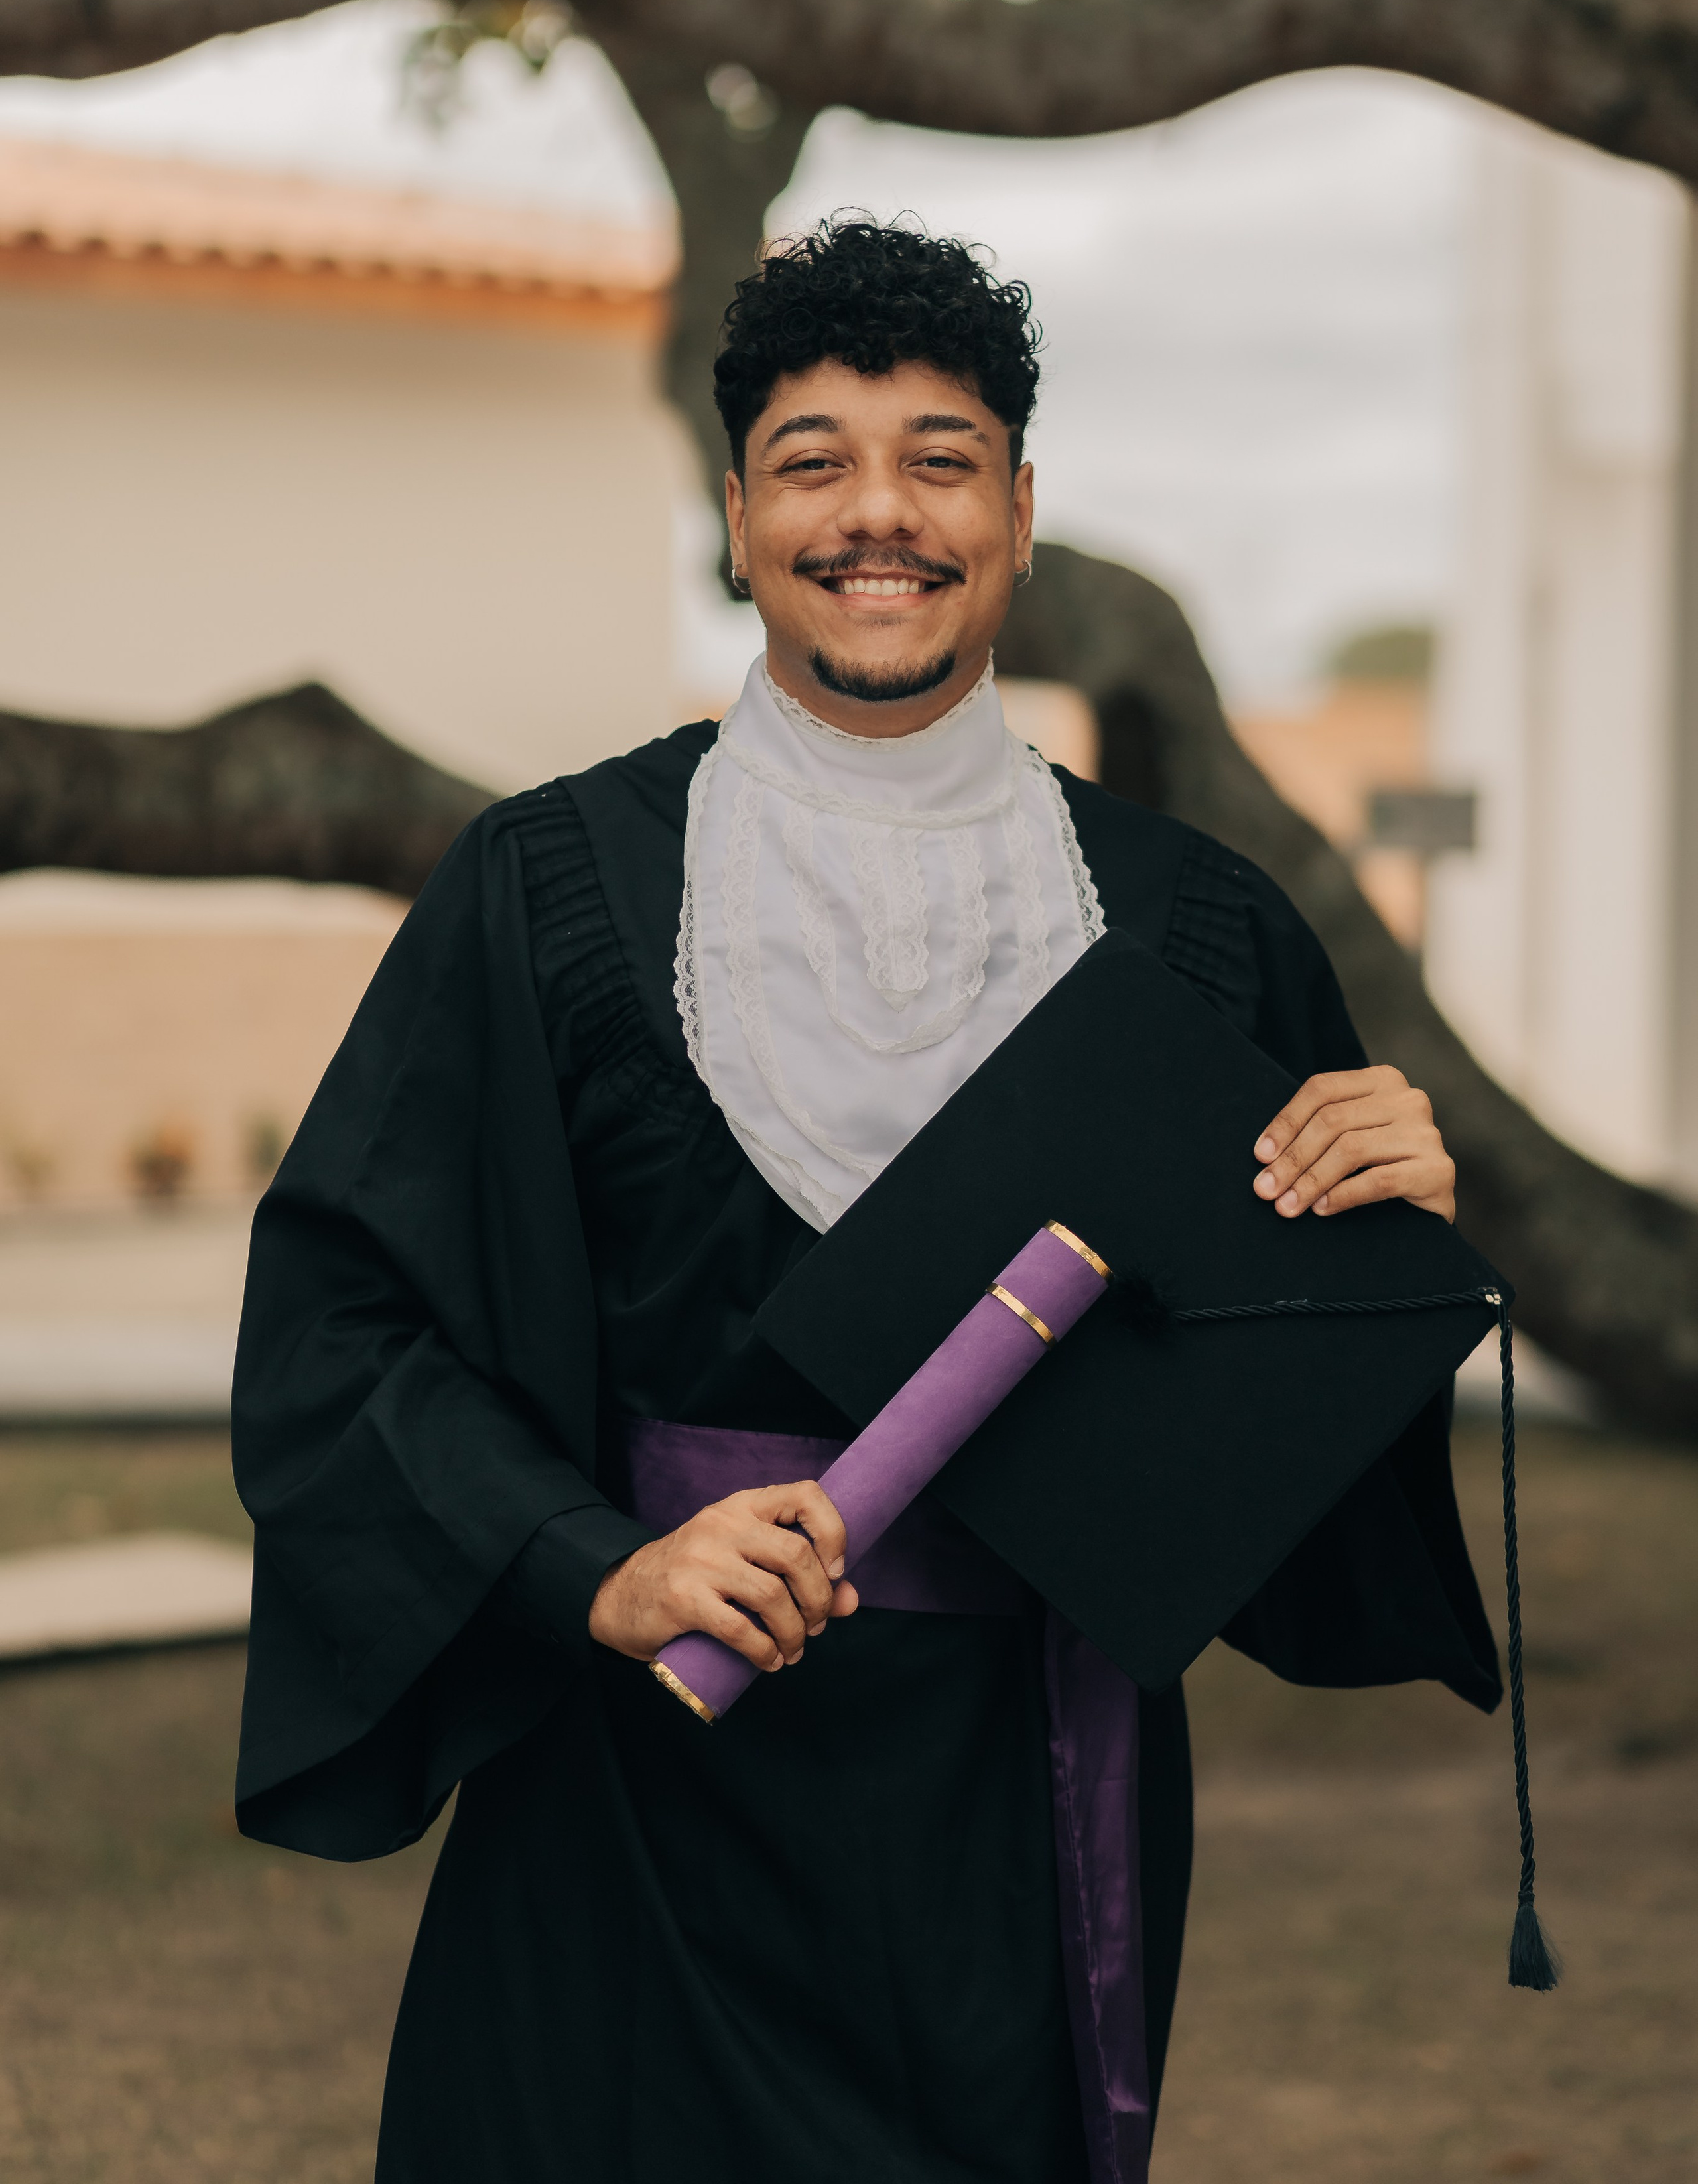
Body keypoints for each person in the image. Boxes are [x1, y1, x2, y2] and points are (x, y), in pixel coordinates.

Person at [233, 219, 1495, 2184]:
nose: (877, 512)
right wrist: (597, 1562)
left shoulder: (1196, 937)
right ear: (736, 513)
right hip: (641, 1789)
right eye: (814, 460)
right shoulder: (546, 894)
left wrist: (1383, 1239)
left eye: (942, 455)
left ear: (1016, 511)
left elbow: (1285, 1471)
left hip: (1023, 1804)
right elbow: (346, 1332)